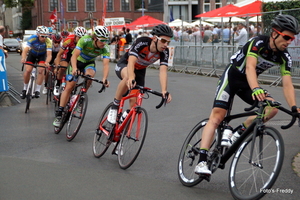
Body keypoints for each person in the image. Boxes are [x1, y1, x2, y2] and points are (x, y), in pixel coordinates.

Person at [194, 14, 300, 176]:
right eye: (286, 37)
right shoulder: (258, 42)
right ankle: (201, 161)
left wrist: (294, 107)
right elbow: (250, 67)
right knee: (216, 118)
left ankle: (237, 132)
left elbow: (287, 83)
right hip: (233, 77)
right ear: (274, 33)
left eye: (292, 39)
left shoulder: (284, 57)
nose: (288, 42)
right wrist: (256, 88)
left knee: (272, 109)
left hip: (249, 84)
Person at [106, 24, 173, 125]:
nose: (166, 45)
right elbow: (131, 62)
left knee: (134, 106)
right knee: (128, 77)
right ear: (155, 38)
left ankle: (121, 131)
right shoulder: (142, 42)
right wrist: (131, 77)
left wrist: (164, 90)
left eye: (168, 42)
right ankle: (114, 106)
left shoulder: (164, 51)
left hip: (140, 71)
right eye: (163, 41)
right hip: (126, 65)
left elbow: (163, 71)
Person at [53, 26, 110, 127]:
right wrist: (74, 68)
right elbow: (74, 56)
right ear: (95, 38)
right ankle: (60, 113)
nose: (104, 43)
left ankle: (80, 98)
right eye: (102, 40)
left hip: (89, 63)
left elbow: (106, 64)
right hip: (77, 61)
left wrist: (105, 78)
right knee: (69, 87)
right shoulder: (85, 40)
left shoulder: (105, 48)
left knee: (90, 76)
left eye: (106, 40)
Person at [20, 25, 52, 99]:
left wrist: (47, 62)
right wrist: (23, 58)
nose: (44, 38)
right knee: (28, 70)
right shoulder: (32, 38)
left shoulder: (48, 41)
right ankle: (24, 89)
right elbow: (25, 50)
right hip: (32, 55)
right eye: (42, 36)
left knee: (41, 70)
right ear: (38, 34)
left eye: (46, 36)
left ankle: (37, 90)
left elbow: (49, 55)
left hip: (42, 55)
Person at [53, 26, 87, 96]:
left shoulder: (85, 42)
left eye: (82, 38)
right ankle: (58, 83)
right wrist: (57, 67)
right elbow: (59, 54)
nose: (81, 40)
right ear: (75, 36)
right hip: (69, 54)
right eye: (79, 38)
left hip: (78, 56)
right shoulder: (69, 39)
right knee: (63, 67)